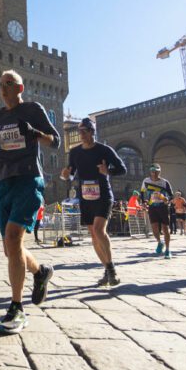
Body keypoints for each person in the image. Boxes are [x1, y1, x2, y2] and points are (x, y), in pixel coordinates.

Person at [0, 69, 60, 334]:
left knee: (14, 237)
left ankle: (16, 308)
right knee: (10, 249)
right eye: (0, 84)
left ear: (19, 88)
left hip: (29, 178)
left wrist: (34, 132)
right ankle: (40, 272)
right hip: (5, 181)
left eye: (8, 83)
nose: (3, 88)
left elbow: (56, 142)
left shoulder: (32, 109)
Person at [61, 117, 126, 286]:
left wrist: (108, 171)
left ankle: (111, 269)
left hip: (103, 195)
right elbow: (71, 172)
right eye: (79, 131)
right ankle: (107, 270)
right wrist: (65, 175)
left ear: (92, 132)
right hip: (86, 197)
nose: (80, 134)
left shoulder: (104, 150)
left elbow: (122, 168)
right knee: (93, 235)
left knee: (99, 230)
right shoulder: (75, 152)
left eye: (84, 131)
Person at [140, 163, 173, 258]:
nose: (154, 173)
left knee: (165, 228)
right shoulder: (146, 181)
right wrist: (143, 202)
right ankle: (159, 242)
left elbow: (171, 195)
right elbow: (142, 192)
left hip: (163, 207)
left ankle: (167, 250)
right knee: (154, 228)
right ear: (150, 172)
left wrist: (166, 199)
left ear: (159, 171)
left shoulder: (164, 182)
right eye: (152, 171)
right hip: (152, 207)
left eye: (156, 171)